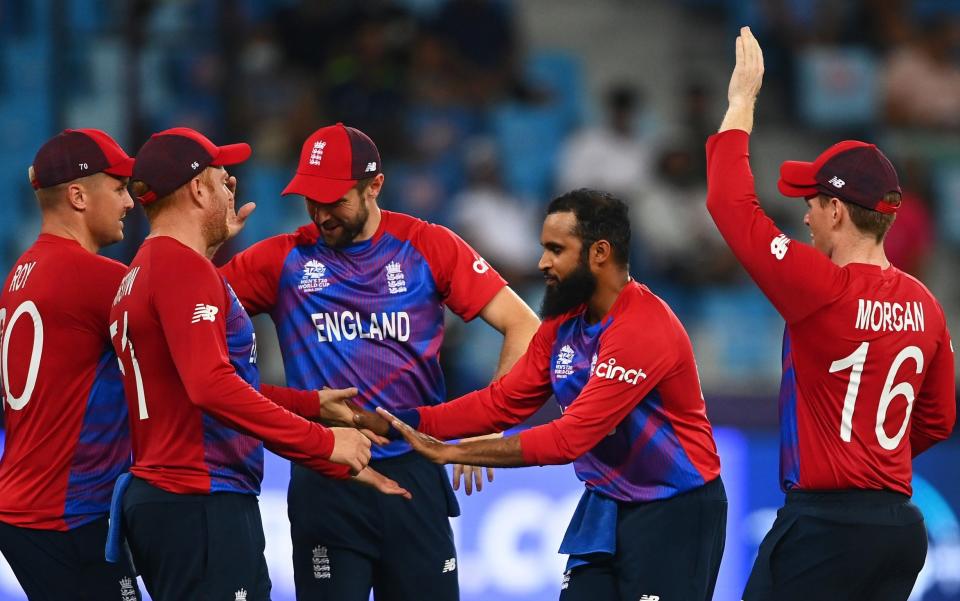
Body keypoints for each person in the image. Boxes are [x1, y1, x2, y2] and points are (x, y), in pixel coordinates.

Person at [218, 122, 540, 600]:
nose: (321, 214)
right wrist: (207, 246)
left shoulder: (429, 246)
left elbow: (524, 324)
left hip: (414, 472)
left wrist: (488, 422)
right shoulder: (282, 260)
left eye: (336, 199)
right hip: (326, 475)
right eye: (311, 199)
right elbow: (187, 314)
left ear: (375, 186)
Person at [375, 188, 727, 601]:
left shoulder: (643, 329)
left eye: (556, 250)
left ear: (599, 252)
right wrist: (403, 422)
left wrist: (451, 451)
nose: (542, 262)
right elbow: (502, 403)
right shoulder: (563, 324)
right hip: (606, 503)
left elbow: (569, 439)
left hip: (675, 508)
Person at [707, 27, 956, 601]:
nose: (805, 219)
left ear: (838, 210)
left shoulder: (821, 286)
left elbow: (727, 202)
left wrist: (741, 100)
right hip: (898, 527)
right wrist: (873, 458)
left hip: (825, 526)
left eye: (812, 204)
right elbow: (938, 420)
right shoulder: (926, 305)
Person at [111, 127, 406, 601]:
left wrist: (307, 404)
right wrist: (323, 441)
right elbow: (210, 386)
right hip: (201, 498)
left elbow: (198, 384)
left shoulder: (146, 269)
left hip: (171, 496)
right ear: (197, 189)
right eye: (222, 175)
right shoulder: (184, 269)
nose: (232, 185)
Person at [0, 129, 142, 600]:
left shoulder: (21, 271)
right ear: (79, 195)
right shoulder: (98, 277)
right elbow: (195, 327)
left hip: (28, 505)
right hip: (68, 514)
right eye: (119, 188)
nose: (129, 203)